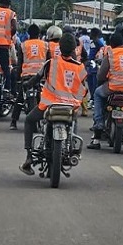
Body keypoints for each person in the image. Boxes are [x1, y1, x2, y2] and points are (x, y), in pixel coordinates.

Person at [19, 33, 87, 175]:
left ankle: (29, 156)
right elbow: (84, 90)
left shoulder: (50, 63)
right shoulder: (80, 68)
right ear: (74, 49)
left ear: (59, 48)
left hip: (49, 105)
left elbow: (36, 79)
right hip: (70, 108)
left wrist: (26, 85)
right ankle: (72, 147)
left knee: (29, 120)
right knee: (74, 123)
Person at [88, 32, 123, 152]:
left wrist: (103, 79)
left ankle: (99, 123)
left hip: (113, 88)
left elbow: (101, 76)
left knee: (97, 94)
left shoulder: (111, 53)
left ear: (112, 44)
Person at [10, 24, 49, 130]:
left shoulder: (23, 45)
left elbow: (20, 63)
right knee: (46, 99)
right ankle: (47, 121)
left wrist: (18, 77)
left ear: (28, 34)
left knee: (19, 99)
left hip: (27, 76)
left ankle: (14, 121)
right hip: (41, 77)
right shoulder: (45, 45)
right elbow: (49, 62)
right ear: (39, 34)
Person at [86, 27, 105, 98]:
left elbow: (102, 51)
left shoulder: (98, 42)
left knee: (94, 82)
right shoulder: (92, 42)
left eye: (91, 33)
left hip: (95, 65)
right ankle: (91, 97)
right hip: (90, 64)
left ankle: (94, 98)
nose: (89, 35)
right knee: (90, 82)